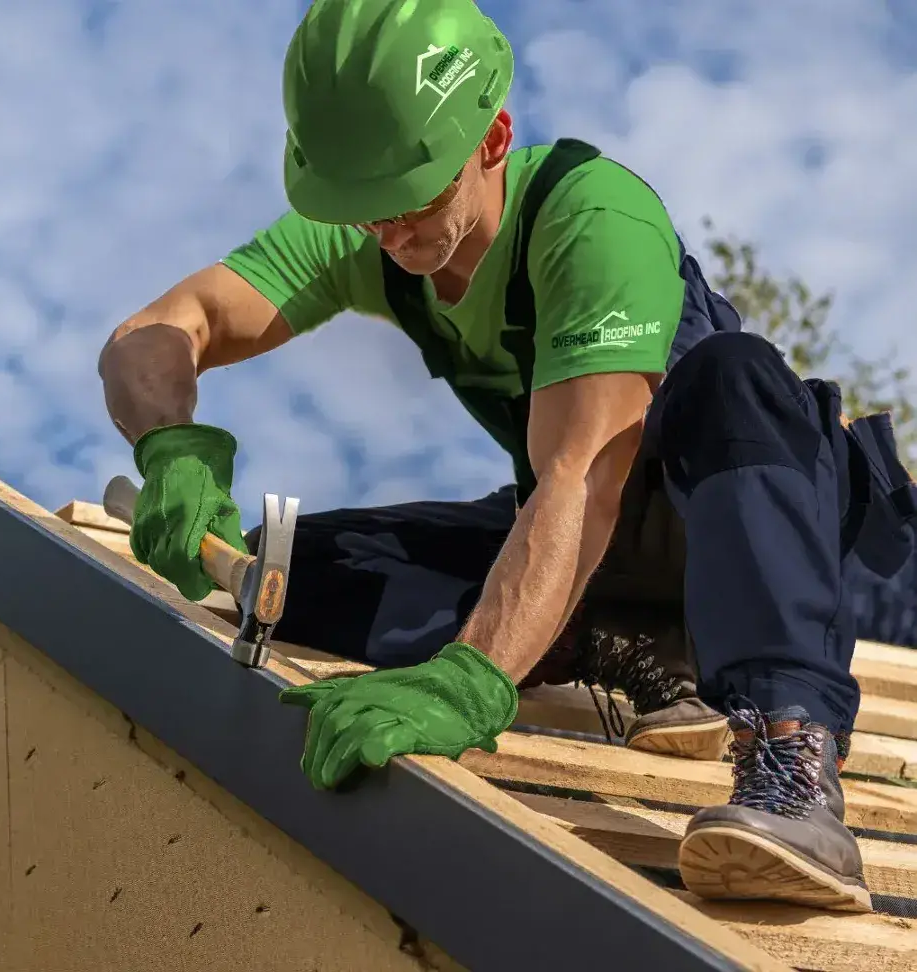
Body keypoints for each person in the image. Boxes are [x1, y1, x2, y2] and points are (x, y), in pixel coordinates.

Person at [96, 0, 916, 914]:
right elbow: (163, 329)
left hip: (767, 542)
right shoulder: (377, 231)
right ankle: (614, 645)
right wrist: (170, 447)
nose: (389, 235)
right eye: (365, 212)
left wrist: (475, 677)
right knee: (302, 571)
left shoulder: (595, 218)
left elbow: (584, 478)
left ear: (493, 139)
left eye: (413, 200)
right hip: (605, 553)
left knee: (738, 374)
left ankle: (792, 761)